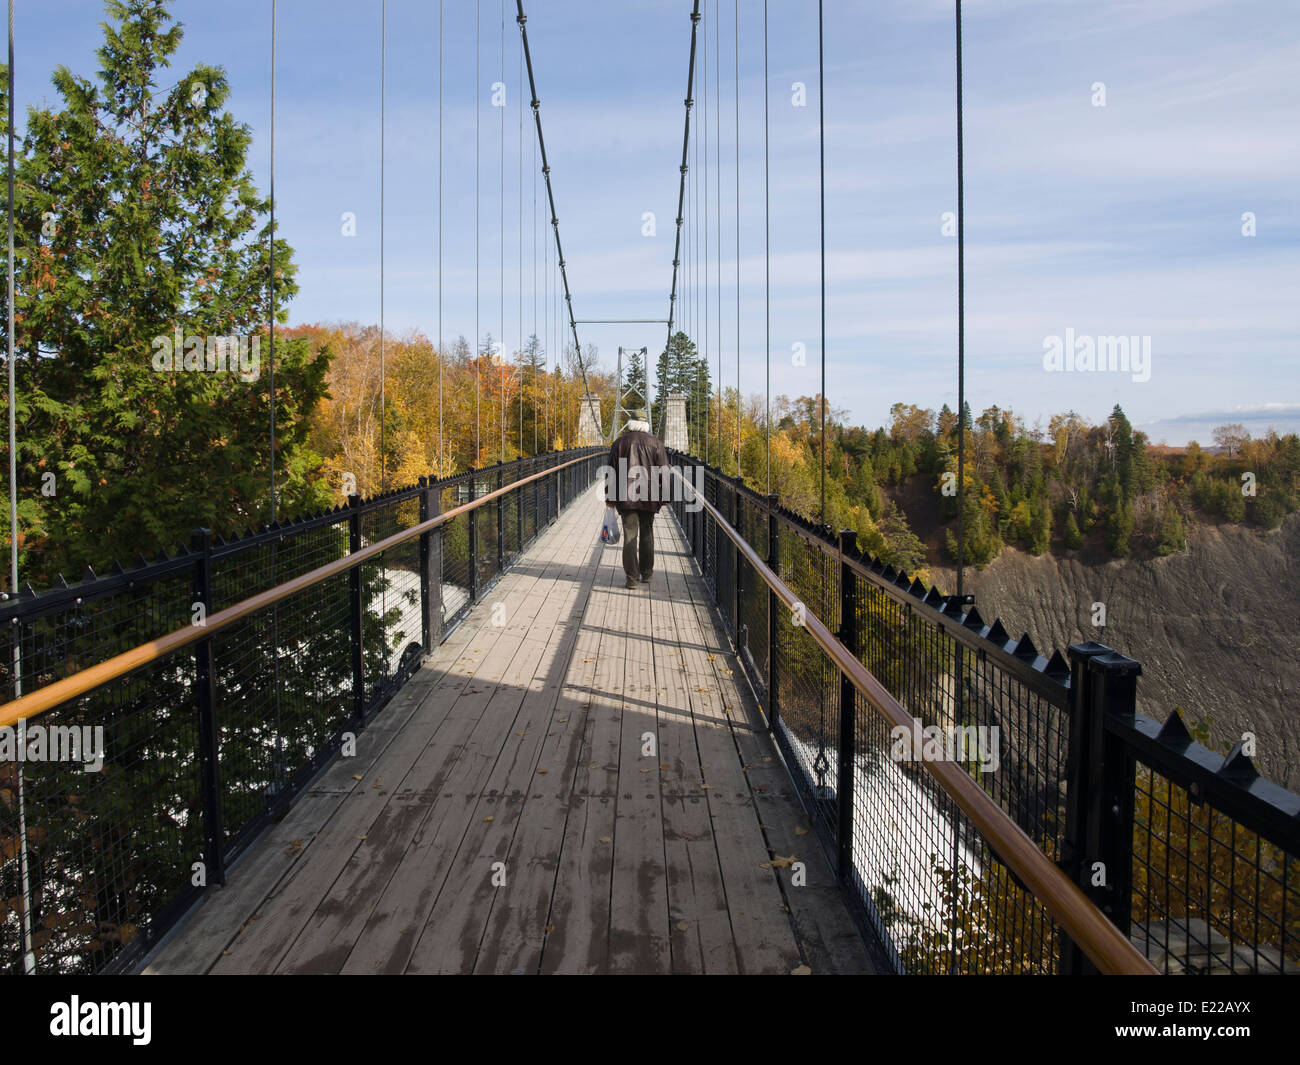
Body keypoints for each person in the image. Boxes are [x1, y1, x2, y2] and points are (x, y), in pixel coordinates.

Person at [605, 408, 670, 590]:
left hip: (626, 496)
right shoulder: (656, 443)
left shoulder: (619, 443)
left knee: (629, 535)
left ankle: (631, 578)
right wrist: (665, 496)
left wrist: (610, 497)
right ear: (645, 424)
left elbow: (611, 471)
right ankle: (647, 573)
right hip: (650, 496)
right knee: (647, 534)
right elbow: (664, 471)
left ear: (631, 423)